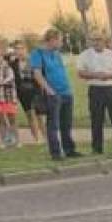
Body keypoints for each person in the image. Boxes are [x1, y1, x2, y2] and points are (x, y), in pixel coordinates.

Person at [76, 32, 112, 156]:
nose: (96, 42)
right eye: (94, 40)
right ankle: (97, 148)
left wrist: (108, 75)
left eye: (99, 40)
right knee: (96, 119)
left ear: (104, 41)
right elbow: (81, 73)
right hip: (95, 89)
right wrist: (96, 75)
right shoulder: (85, 55)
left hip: (111, 88)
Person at [31, 28, 79, 160]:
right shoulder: (38, 53)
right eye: (60, 40)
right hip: (53, 93)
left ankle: (69, 149)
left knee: (66, 123)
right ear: (52, 40)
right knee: (53, 124)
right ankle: (56, 152)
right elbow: (37, 74)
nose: (61, 43)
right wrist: (48, 89)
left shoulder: (56, 54)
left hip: (66, 91)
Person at [7, 40, 43, 143]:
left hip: (35, 91)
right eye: (17, 49)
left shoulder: (33, 61)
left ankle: (46, 137)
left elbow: (41, 75)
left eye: (21, 48)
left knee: (39, 116)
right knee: (30, 115)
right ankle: (37, 139)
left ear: (26, 49)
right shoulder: (12, 63)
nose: (19, 51)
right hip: (22, 93)